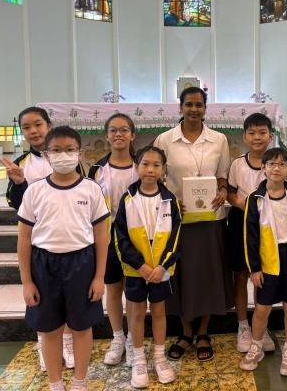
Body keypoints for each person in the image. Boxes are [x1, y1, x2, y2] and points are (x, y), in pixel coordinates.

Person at [17, 126, 110, 391]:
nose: (63, 155)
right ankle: (55, 384)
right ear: (47, 155)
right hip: (44, 265)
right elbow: (24, 238)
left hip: (82, 264)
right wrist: (27, 281)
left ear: (80, 154)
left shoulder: (91, 189)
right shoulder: (34, 191)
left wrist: (99, 277)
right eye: (56, 150)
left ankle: (80, 382)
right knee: (49, 330)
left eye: (70, 150)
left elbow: (101, 235)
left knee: (82, 328)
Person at [0, 106, 84, 372]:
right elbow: (17, 204)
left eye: (38, 124)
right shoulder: (22, 162)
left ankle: (67, 342)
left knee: (67, 296)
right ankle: (44, 342)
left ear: (49, 126)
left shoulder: (67, 156)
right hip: (39, 243)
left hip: (68, 238)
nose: (33, 131)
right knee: (42, 299)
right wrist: (19, 183)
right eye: (26, 127)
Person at [153, 86, 233, 362]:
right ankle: (185, 332)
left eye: (199, 105)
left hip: (211, 218)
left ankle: (203, 332)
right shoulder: (165, 139)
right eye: (189, 104)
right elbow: (157, 177)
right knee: (182, 274)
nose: (194, 109)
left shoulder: (219, 139)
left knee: (208, 274)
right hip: (179, 218)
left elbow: (223, 175)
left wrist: (222, 190)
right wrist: (171, 200)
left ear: (205, 109)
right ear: (181, 107)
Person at [114, 146, 181, 388]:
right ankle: (139, 358)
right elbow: (121, 238)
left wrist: (163, 267)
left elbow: (176, 238)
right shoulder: (127, 199)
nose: (150, 170)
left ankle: (160, 357)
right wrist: (140, 265)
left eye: (156, 165)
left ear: (163, 169)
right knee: (137, 312)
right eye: (145, 164)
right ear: (136, 167)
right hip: (136, 269)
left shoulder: (170, 200)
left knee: (159, 311)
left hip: (161, 270)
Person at [240, 148, 287, 377]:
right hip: (268, 259)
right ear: (263, 168)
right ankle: (256, 346)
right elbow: (250, 236)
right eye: (271, 164)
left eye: (282, 164)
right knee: (262, 308)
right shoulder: (255, 198)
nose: (276, 168)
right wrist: (254, 268)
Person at [87, 113, 138, 367]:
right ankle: (118, 337)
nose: (119, 134)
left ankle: (133, 339)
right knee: (114, 288)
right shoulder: (97, 170)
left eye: (124, 130)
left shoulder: (142, 166)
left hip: (136, 236)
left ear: (132, 135)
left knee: (133, 289)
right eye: (114, 130)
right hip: (107, 236)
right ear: (106, 136)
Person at [227, 113, 276, 353]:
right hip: (241, 220)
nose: (257, 137)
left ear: (271, 136)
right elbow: (230, 193)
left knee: (262, 275)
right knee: (240, 274)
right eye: (252, 133)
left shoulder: (276, 162)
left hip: (268, 224)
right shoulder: (237, 164)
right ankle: (243, 325)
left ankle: (260, 324)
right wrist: (244, 205)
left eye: (262, 133)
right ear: (244, 137)